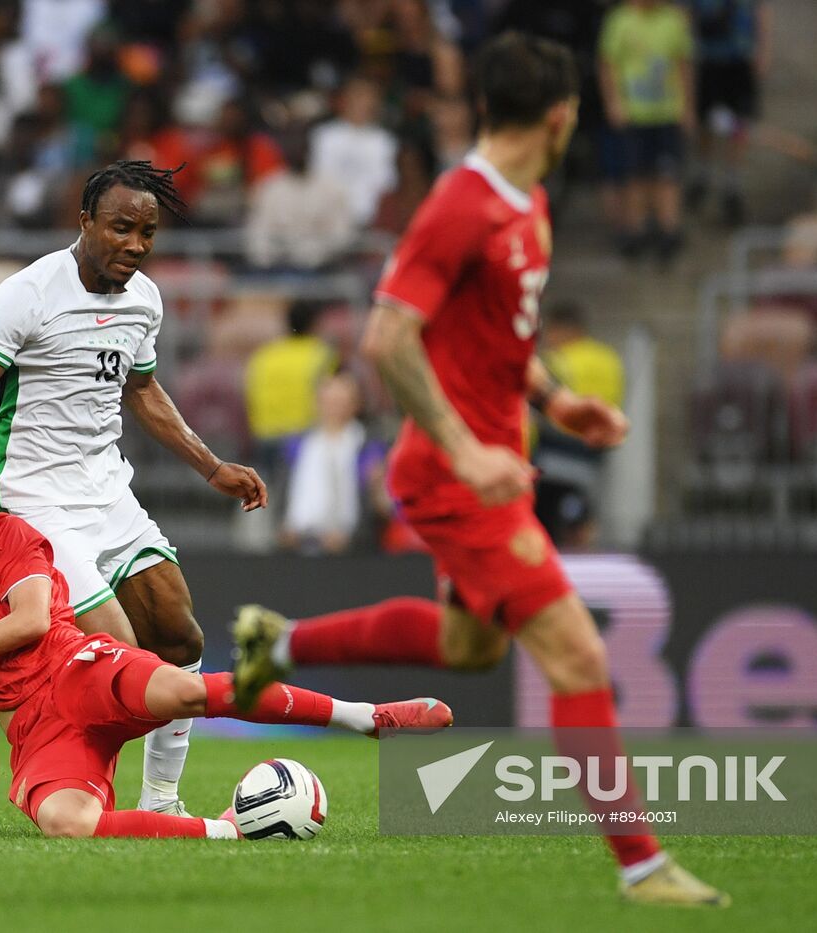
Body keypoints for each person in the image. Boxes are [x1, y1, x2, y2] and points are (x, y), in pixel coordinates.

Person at [231, 32, 727, 907]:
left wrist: (555, 399)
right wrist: (464, 447)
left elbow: (501, 340)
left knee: (471, 645)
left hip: (494, 459)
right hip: (456, 471)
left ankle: (278, 642)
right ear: (565, 115)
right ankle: (643, 867)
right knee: (576, 657)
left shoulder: (526, 201)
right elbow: (388, 339)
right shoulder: (461, 204)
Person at [0, 447, 451, 838]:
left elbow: (32, 620)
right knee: (67, 822)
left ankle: (369, 718)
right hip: (36, 730)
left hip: (74, 668)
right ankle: (229, 832)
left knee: (186, 690)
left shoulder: (6, 533)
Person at [0, 160, 268, 818]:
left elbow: (141, 389)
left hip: (107, 491)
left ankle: (162, 801)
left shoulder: (144, 298)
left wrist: (210, 465)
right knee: (115, 654)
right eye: (121, 228)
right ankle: (75, 787)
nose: (136, 245)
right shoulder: (29, 293)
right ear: (85, 221)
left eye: (147, 233)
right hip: (34, 500)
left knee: (180, 639)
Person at [598, 0, 695, 261]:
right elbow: (607, 64)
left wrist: (687, 106)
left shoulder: (673, 20)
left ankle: (668, 229)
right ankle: (635, 229)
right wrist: (613, 103)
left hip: (666, 112)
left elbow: (684, 64)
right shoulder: (619, 20)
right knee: (634, 175)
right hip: (635, 114)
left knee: (667, 174)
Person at [534, 301, 625, 548]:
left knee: (547, 516)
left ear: (565, 330)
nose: (549, 338)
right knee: (577, 508)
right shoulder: (609, 358)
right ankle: (582, 533)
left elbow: (542, 405)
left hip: (555, 453)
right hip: (595, 451)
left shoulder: (556, 360)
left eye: (550, 331)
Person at [683, 0, 773, 226]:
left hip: (738, 59)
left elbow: (761, 11)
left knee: (738, 125)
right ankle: (703, 173)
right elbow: (685, 14)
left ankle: (732, 184)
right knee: (707, 123)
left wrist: (763, 49)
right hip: (709, 58)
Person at [279, 373, 388, 555]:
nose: (334, 407)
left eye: (342, 401)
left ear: (356, 404)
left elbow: (380, 506)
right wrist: (283, 526)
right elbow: (281, 490)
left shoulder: (368, 447)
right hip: (299, 543)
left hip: (353, 547)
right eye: (329, 400)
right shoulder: (297, 445)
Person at [244, 125, 356, 271]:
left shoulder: (332, 188)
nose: (296, 151)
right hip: (276, 268)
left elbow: (341, 234)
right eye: (291, 146)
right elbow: (258, 234)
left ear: (308, 149)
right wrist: (268, 259)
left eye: (300, 146)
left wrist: (312, 254)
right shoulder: (269, 188)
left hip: (322, 269)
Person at [243, 299, 339, 466]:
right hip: (302, 438)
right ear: (314, 323)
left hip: (265, 437)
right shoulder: (322, 355)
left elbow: (249, 395)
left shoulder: (264, 355)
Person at [309, 76, 399, 226]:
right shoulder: (324, 136)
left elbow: (387, 183)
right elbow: (319, 177)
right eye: (358, 96)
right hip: (329, 219)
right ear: (345, 99)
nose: (363, 103)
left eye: (369, 97)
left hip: (371, 219)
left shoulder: (385, 141)